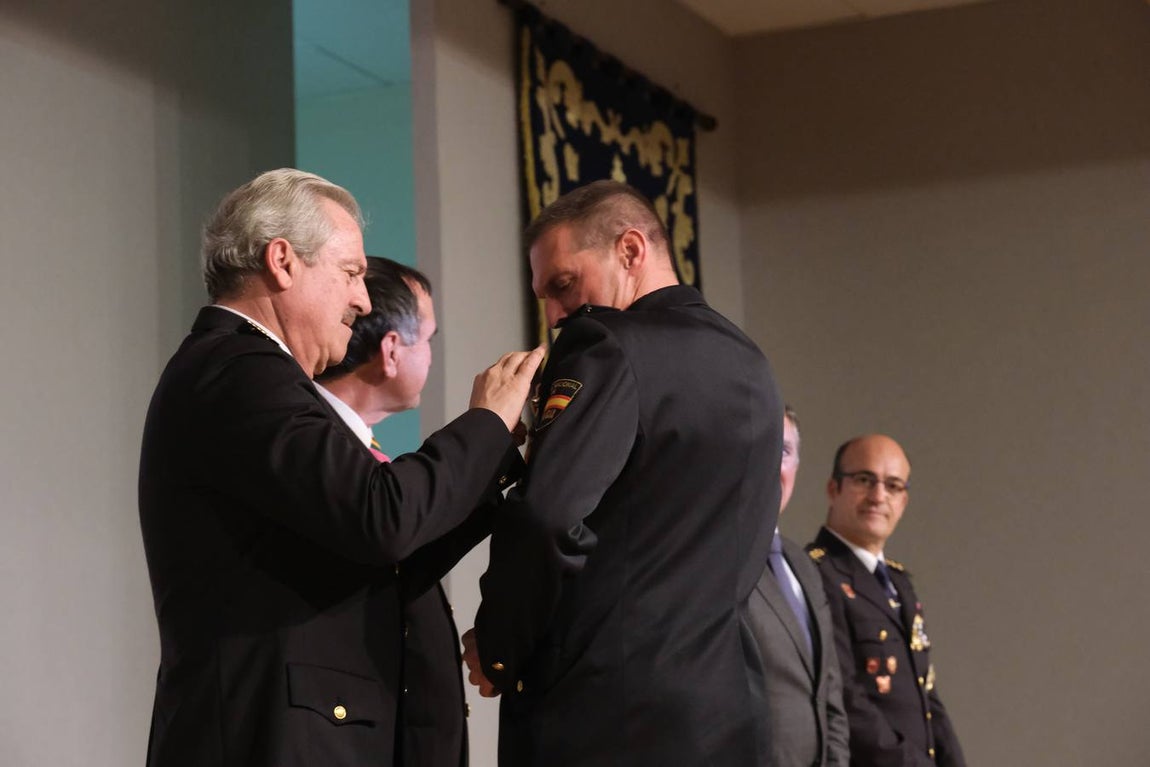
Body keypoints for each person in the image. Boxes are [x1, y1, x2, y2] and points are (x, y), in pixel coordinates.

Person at [138, 168, 543, 767]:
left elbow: (382, 558)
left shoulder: (248, 374)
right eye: (351, 273)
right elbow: (382, 517)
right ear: (282, 261)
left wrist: (498, 457)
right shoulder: (238, 370)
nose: (362, 299)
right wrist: (484, 423)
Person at [462, 180, 784, 766]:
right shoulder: (750, 362)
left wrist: (500, 645)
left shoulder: (606, 345)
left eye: (563, 286)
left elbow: (548, 515)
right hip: (727, 715)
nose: (557, 316)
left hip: (608, 717)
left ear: (630, 251)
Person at [314, 256, 494, 767]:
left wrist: (495, 462)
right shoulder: (322, 446)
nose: (432, 356)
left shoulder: (348, 448)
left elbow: (398, 561)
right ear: (392, 350)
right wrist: (484, 425)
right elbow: (388, 531)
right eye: (429, 338)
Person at [807, 435, 966, 766]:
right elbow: (843, 697)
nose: (878, 496)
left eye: (893, 486)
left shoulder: (899, 583)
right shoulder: (816, 573)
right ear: (833, 488)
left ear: (904, 502)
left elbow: (927, 698)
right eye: (864, 480)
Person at [746, 405, 850, 766]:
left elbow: (829, 691)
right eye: (765, 446)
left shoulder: (804, 564)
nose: (775, 464)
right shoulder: (716, 559)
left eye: (785, 451)